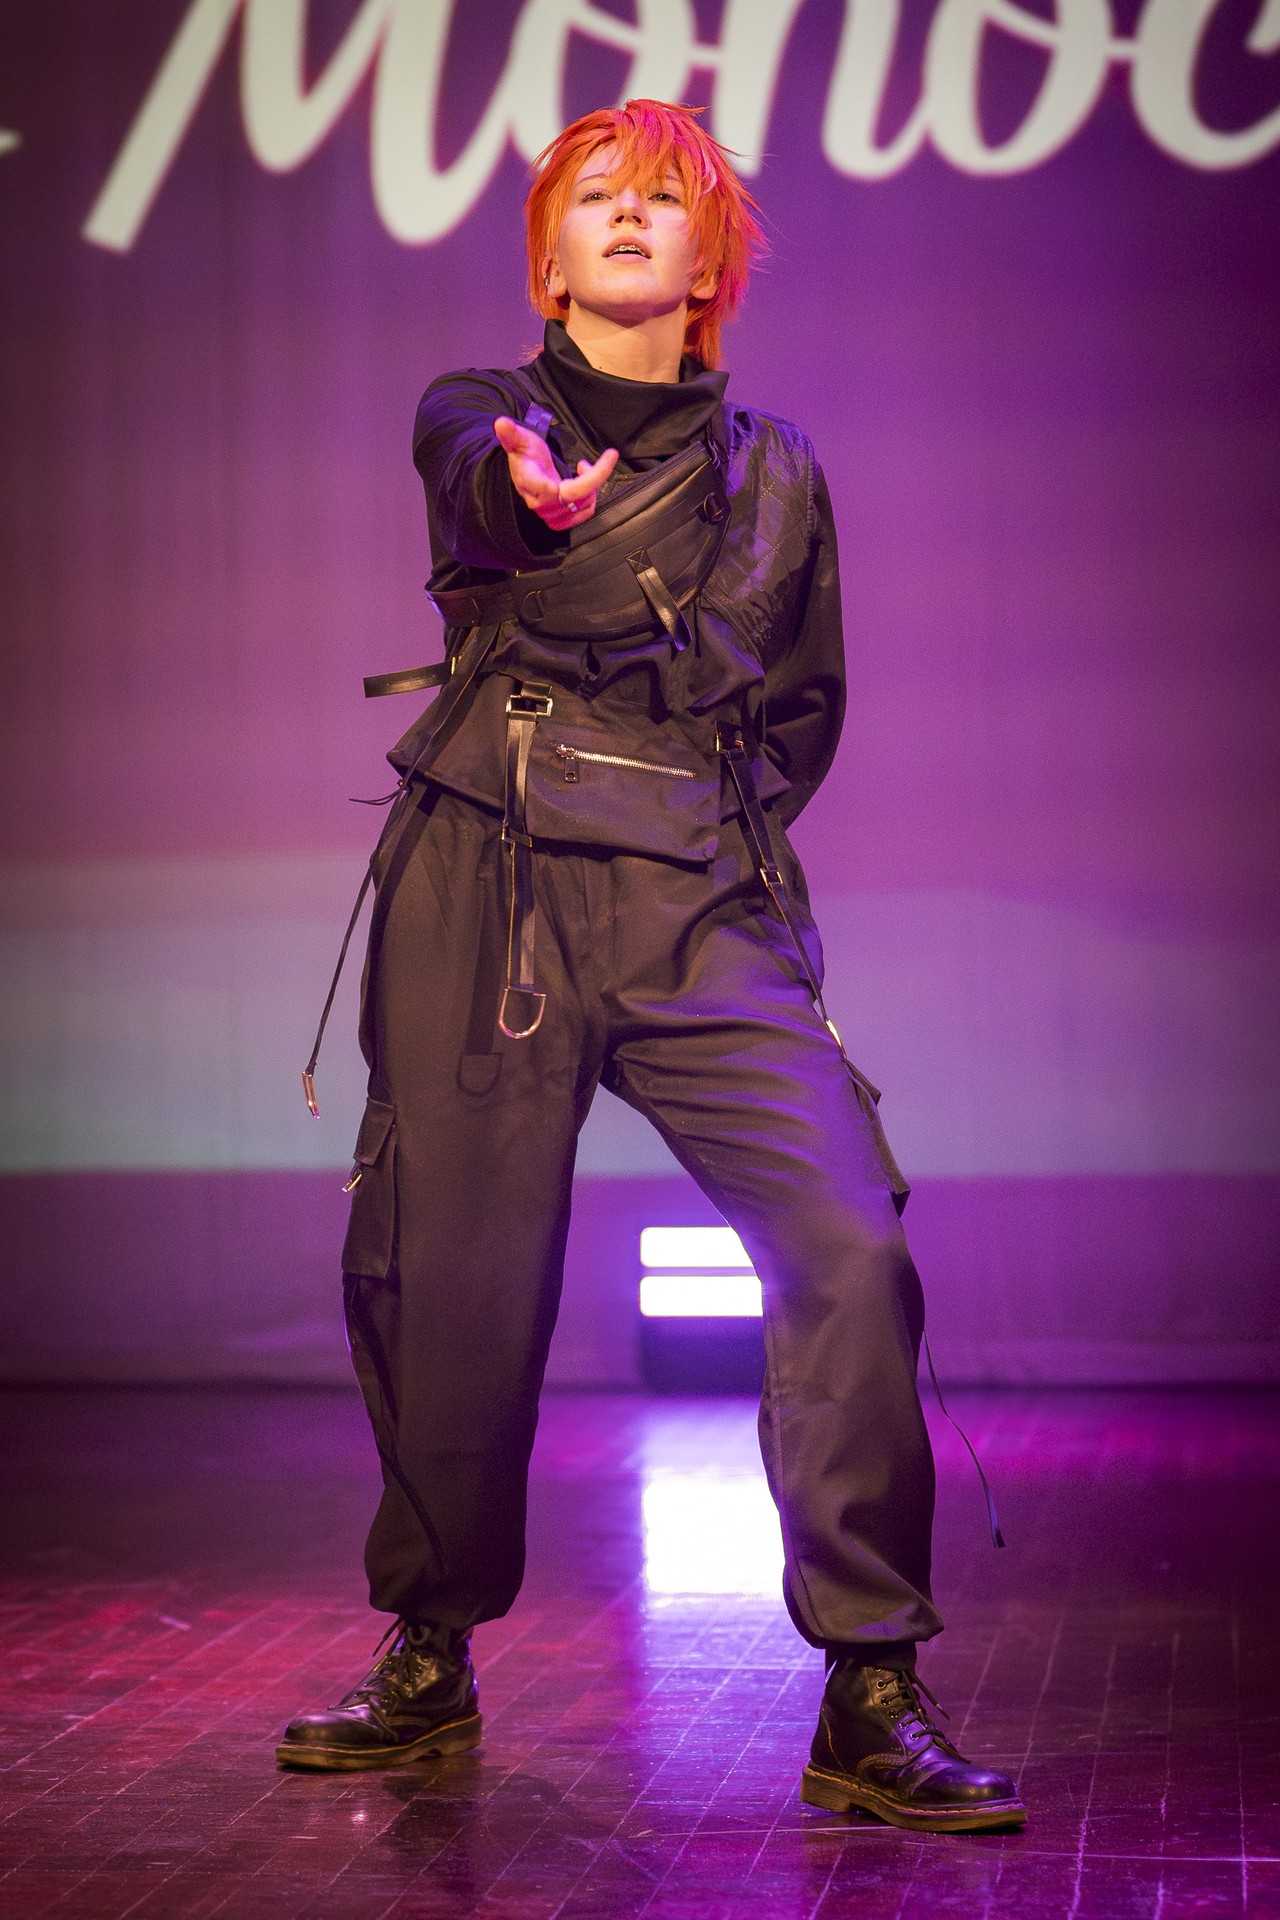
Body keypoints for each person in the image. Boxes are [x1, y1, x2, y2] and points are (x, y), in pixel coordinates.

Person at [276, 99, 1025, 1834]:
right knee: (453, 1275)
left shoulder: (778, 469)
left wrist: (697, 817)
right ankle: (429, 1648)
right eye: (594, 197)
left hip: (693, 899)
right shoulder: (480, 413)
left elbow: (806, 708)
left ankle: (871, 1683)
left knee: (846, 1239)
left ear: (710, 265)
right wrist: (528, 497)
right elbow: (483, 491)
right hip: (490, 880)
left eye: (661, 201)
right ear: (549, 258)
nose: (626, 216)